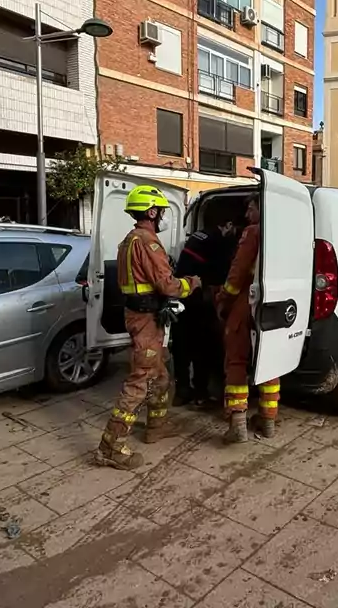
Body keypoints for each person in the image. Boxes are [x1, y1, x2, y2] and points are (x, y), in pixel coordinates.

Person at [94, 185, 201, 470]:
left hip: (142, 316)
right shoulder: (148, 243)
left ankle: (157, 426)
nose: (164, 216)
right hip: (146, 322)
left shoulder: (128, 240)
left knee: (162, 376)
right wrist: (192, 283)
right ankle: (110, 447)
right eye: (162, 211)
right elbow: (168, 285)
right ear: (152, 212)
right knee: (139, 382)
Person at [216, 195, 279, 443]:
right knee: (271, 361)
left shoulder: (253, 232)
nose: (246, 215)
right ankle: (268, 420)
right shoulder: (287, 232)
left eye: (251, 208)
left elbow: (237, 273)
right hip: (277, 303)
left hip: (247, 302)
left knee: (236, 360)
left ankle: (238, 423)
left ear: (261, 208)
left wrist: (223, 298)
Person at [171, 219, 239, 406]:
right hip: (201, 299)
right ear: (228, 225)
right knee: (203, 348)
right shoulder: (221, 241)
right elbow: (225, 274)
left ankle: (182, 391)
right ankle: (201, 392)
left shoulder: (199, 234)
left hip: (182, 296)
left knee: (181, 348)